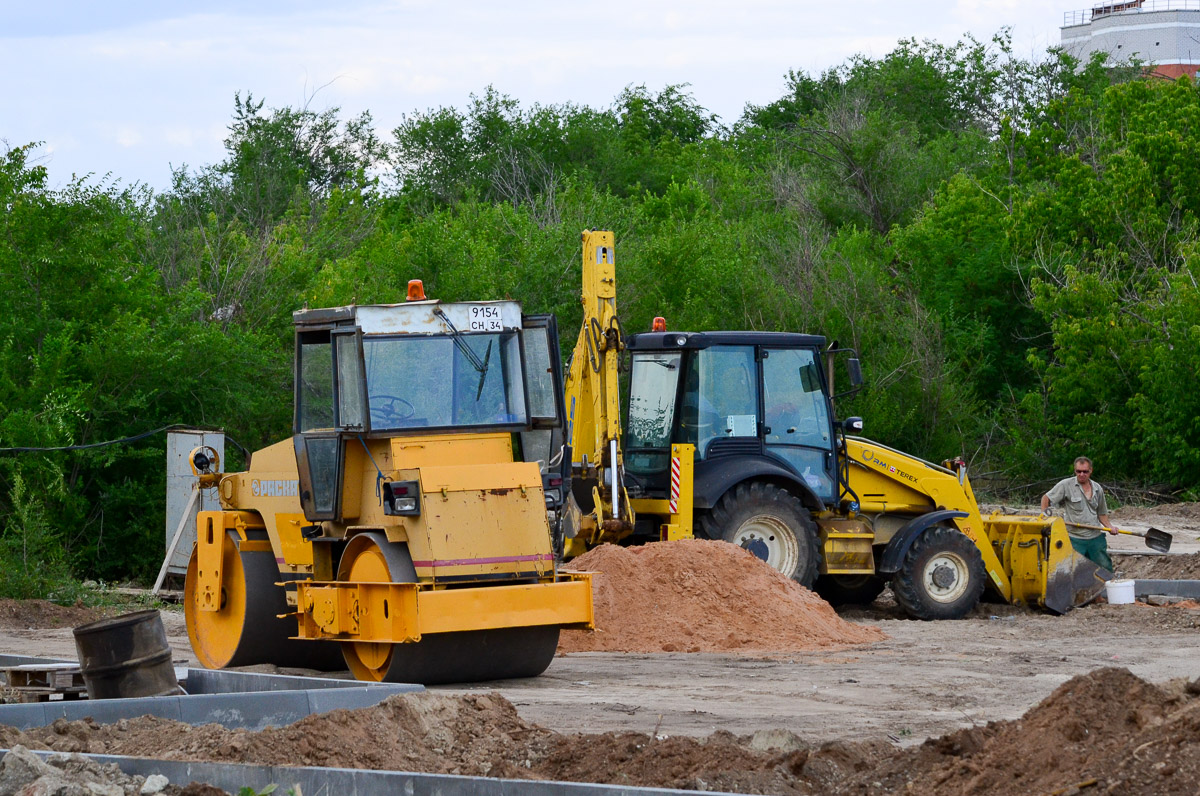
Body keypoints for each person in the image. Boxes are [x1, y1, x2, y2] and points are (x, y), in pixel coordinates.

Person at [1040, 456, 1116, 571]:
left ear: (1091, 471)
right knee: (1073, 571)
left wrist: (1110, 527)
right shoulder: (1066, 485)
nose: (1081, 474)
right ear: (1075, 471)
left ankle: (1106, 588)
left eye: (1085, 471)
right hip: (1074, 539)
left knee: (1104, 568)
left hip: (1095, 537)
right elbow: (1046, 498)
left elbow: (1102, 513)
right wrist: (1044, 517)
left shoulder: (1097, 488)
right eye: (1078, 471)